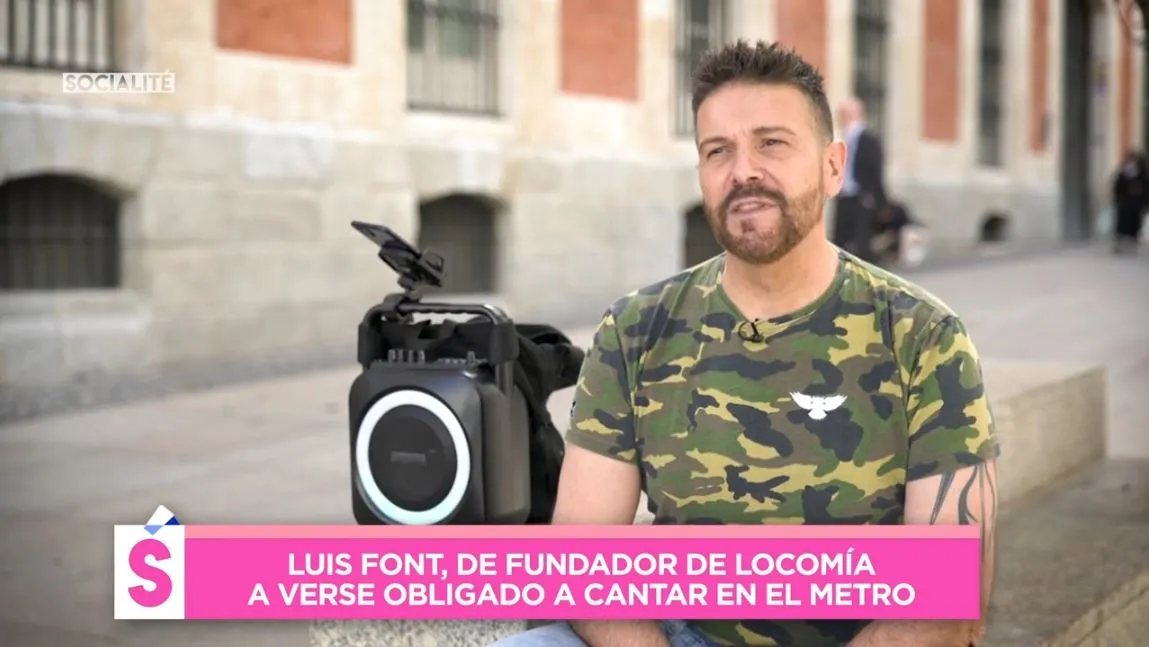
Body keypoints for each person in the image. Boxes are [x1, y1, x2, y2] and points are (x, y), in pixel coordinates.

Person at [490, 40, 998, 647]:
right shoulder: (635, 329)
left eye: (771, 143)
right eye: (717, 151)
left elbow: (947, 602)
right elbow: (582, 559)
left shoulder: (921, 335)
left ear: (834, 166)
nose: (743, 171)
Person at [831, 98, 887, 264]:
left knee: (862, 244)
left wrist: (879, 201)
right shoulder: (843, 138)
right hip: (844, 196)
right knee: (838, 242)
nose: (840, 118)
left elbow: (875, 171)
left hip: (861, 198)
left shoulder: (868, 139)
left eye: (843, 114)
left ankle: (868, 285)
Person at [1112, 149, 1148, 254]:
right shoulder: (1123, 173)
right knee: (1122, 223)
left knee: (1135, 223)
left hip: (1136, 203)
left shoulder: (1141, 173)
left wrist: (1144, 201)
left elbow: (1145, 188)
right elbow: (1117, 187)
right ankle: (1121, 243)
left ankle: (1132, 242)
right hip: (1125, 202)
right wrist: (1118, 199)